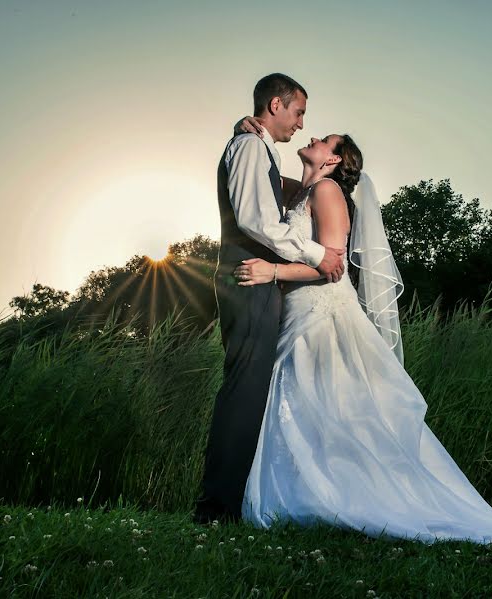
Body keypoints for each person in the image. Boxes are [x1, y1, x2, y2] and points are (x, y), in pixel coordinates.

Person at [229, 122, 492, 548]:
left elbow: (331, 266)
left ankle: (348, 498)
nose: (312, 135)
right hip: (297, 308)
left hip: (322, 312)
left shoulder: (327, 193)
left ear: (334, 159)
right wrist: (243, 129)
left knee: (331, 408)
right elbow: (264, 183)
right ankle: (316, 495)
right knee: (311, 407)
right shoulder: (303, 191)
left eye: (324, 140)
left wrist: (273, 271)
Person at [193, 73, 348, 525]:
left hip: (261, 280)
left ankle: (232, 501)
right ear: (276, 105)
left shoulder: (258, 149)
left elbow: (289, 203)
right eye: (299, 112)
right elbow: (257, 220)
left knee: (253, 389)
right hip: (248, 277)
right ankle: (216, 507)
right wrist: (321, 256)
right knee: (245, 389)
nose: (302, 124)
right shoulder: (247, 148)